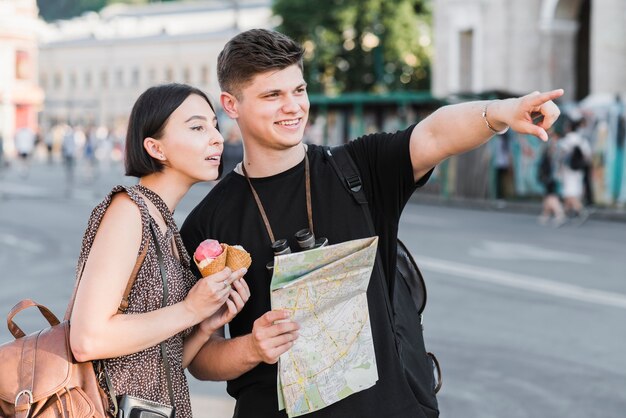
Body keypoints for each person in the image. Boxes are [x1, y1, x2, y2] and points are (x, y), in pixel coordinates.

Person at [180, 29, 563, 418]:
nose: (292, 107)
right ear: (231, 104)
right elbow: (199, 355)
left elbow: (434, 134)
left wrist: (500, 113)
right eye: (272, 96)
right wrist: (252, 348)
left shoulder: (358, 167)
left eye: (298, 90)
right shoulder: (207, 224)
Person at [70, 83, 250, 418]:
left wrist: (208, 323)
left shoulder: (165, 225)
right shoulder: (129, 210)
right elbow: (88, 338)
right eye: (197, 127)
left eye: (214, 124)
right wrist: (190, 310)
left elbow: (158, 363)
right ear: (156, 148)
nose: (216, 137)